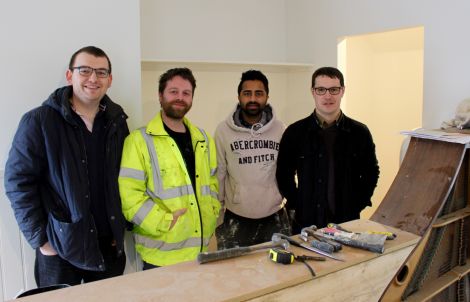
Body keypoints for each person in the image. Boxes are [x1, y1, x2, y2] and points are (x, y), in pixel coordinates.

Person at [4, 46, 129, 286]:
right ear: (70, 75)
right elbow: (17, 182)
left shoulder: (117, 122)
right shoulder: (39, 121)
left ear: (110, 80)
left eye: (101, 72)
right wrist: (42, 241)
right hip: (60, 248)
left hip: (108, 245)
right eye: (85, 70)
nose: (93, 78)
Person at [118, 67, 220, 269]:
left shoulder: (204, 139)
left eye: (186, 93)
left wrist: (213, 211)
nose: (180, 98)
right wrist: (164, 221)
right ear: (160, 95)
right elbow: (129, 196)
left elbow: (213, 182)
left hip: (201, 251)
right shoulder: (139, 141)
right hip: (160, 257)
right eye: (173, 92)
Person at [276, 66, 379, 234]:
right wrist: (298, 202)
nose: (328, 96)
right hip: (306, 222)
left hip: (347, 222)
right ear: (313, 92)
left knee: (349, 260)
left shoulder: (360, 132)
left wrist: (357, 203)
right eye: (321, 90)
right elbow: (283, 174)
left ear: (342, 91)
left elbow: (371, 173)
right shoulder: (295, 132)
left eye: (334, 89)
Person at [214, 70, 290, 249]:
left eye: (259, 93)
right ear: (239, 96)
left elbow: (287, 171)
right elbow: (220, 173)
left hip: (275, 216)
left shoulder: (280, 129)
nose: (253, 99)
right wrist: (217, 215)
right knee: (235, 273)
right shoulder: (223, 131)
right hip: (236, 217)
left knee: (281, 273)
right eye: (247, 93)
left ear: (267, 96)